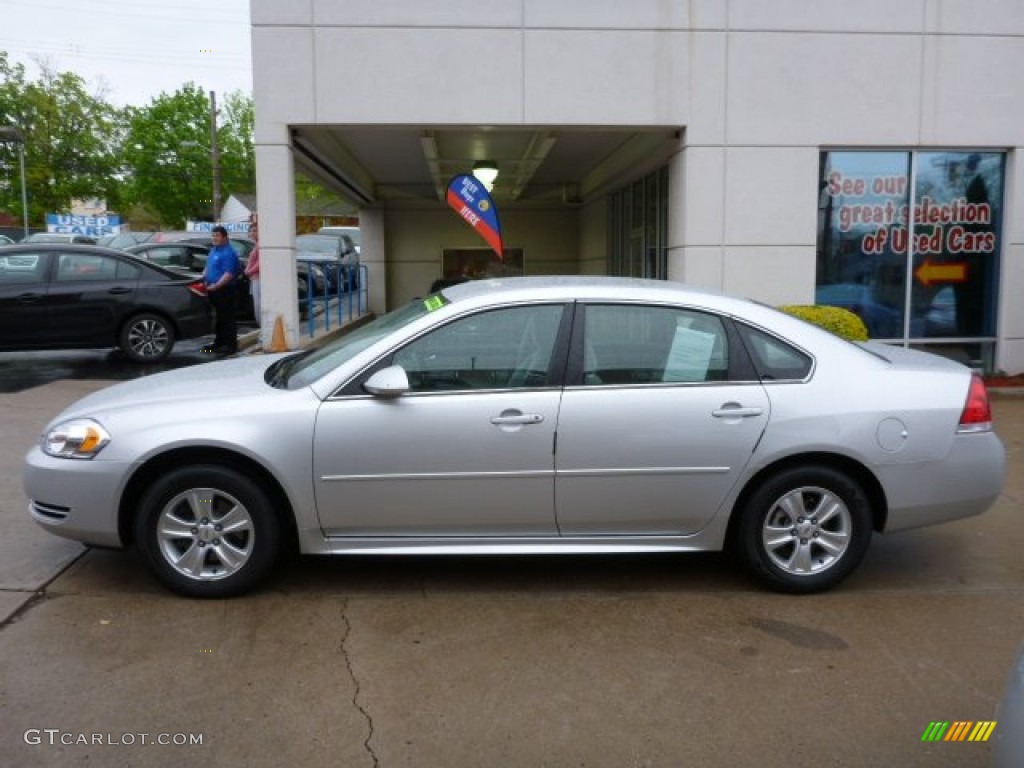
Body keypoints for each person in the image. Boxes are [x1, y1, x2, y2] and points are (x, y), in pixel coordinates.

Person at [201, 225, 240, 355]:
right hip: (212, 289)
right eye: (213, 235)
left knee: (227, 318)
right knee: (219, 318)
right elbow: (207, 267)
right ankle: (219, 343)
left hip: (224, 290)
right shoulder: (213, 250)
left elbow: (228, 274)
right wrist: (204, 278)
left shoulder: (229, 253)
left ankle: (230, 345)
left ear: (225, 237)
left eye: (217, 235)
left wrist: (216, 286)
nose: (214, 238)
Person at [244, 218, 261, 326]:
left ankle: (262, 327)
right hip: (255, 277)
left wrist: (249, 270)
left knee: (258, 304)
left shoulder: (261, 245)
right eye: (251, 231)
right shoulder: (256, 245)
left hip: (259, 278)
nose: (252, 233)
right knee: (257, 303)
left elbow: (261, 262)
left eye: (255, 230)